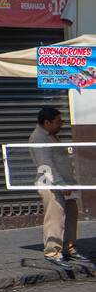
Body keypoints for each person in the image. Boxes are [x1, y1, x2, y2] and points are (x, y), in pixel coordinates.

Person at [29, 106, 91, 267]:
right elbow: (46, 164)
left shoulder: (52, 136)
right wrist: (60, 183)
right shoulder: (38, 138)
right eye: (58, 122)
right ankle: (52, 251)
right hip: (51, 184)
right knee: (55, 217)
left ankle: (69, 248)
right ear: (47, 122)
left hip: (65, 183)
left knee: (71, 214)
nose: (61, 124)